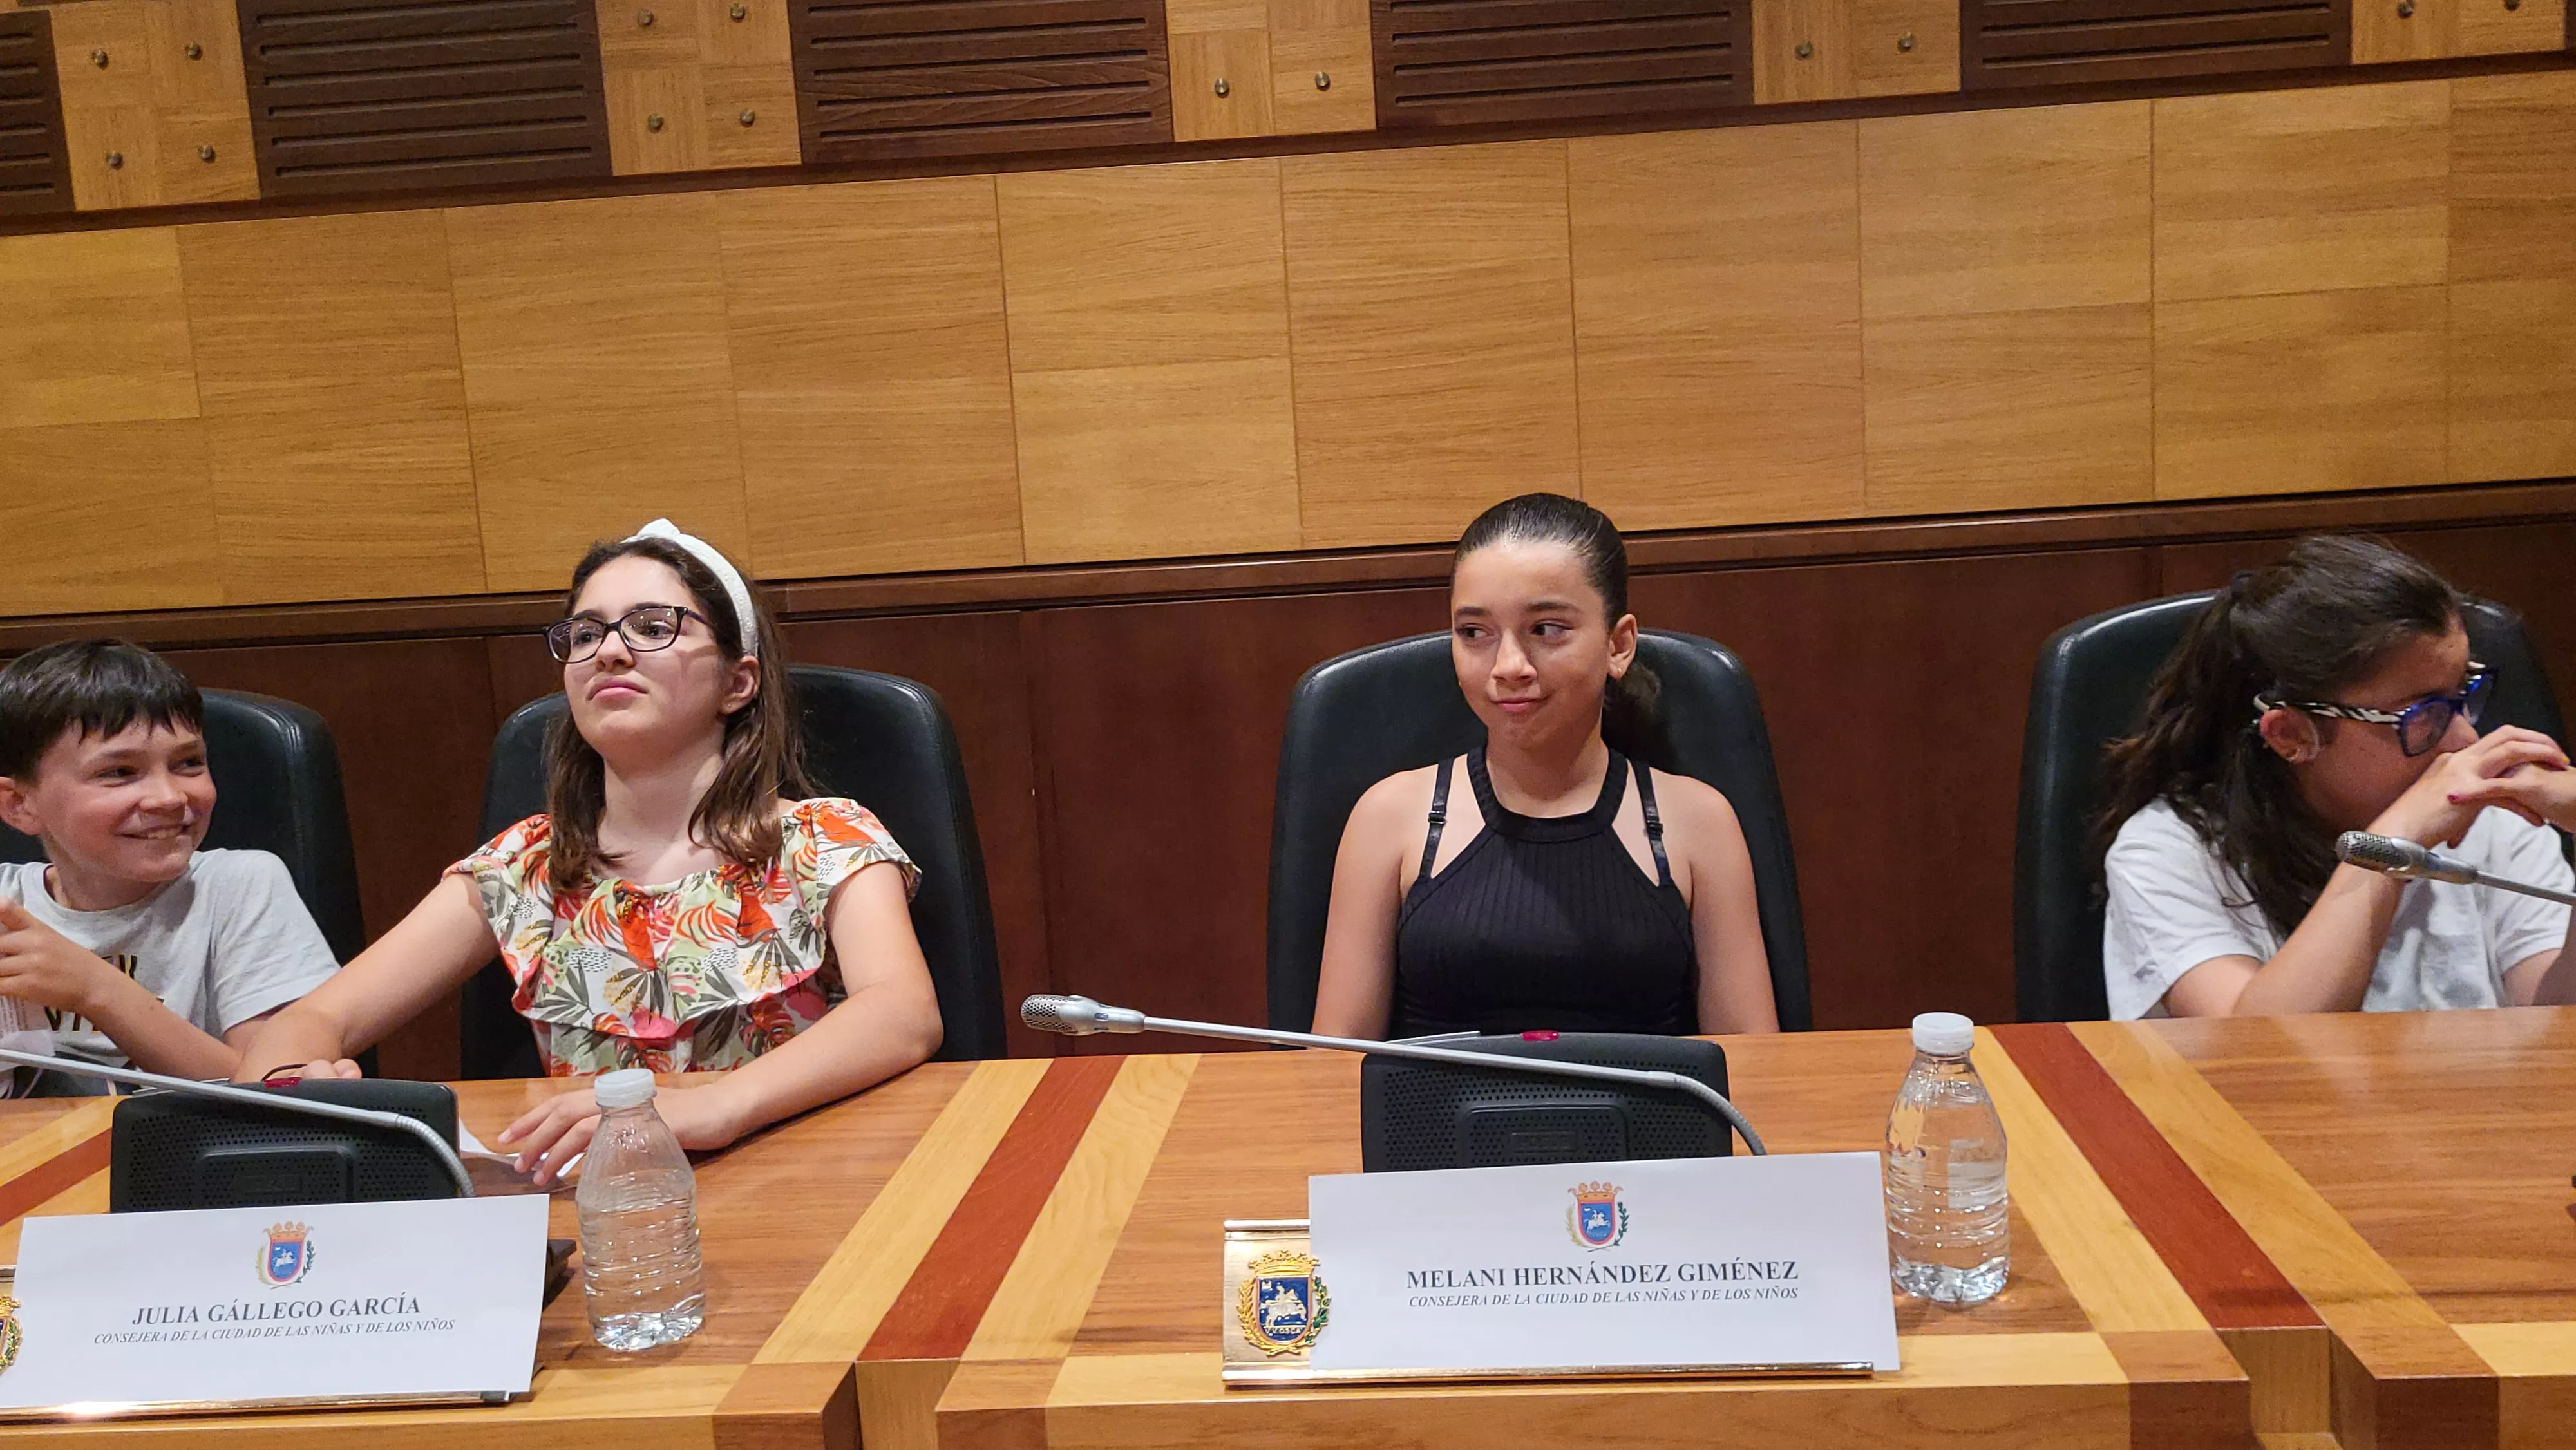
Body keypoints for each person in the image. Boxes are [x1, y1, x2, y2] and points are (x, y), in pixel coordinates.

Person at [238, 520, 943, 1182]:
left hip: (804, 1180)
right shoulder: (526, 865)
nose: (609, 650)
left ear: (738, 683)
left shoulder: (824, 839)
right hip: (609, 1204)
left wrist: (715, 1107)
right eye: (584, 633)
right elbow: (312, 1019)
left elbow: (903, 1011)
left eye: (653, 627)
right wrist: (293, 1084)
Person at [1311, 493, 1779, 1040]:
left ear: (1619, 645)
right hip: (1439, 1103)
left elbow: (1753, 1064)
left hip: (1640, 1102)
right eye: (1474, 633)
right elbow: (1333, 1064)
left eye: (1547, 629)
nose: (1509, 667)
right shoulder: (1388, 818)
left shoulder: (1700, 822)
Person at [2098, 534, 2576, 1019]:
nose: (2465, 740)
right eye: (2422, 714)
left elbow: (2553, 1023)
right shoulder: (2167, 853)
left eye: (2462, 696)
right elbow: (2264, 1048)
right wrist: (2391, 843)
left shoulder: (2491, 818)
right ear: (2291, 735)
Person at [0, 641, 340, 1088]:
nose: (169, 797)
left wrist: (97, 990)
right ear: (19, 804)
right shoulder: (8, 904)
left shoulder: (241, 886)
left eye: (188, 763)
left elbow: (270, 1092)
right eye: (119, 772)